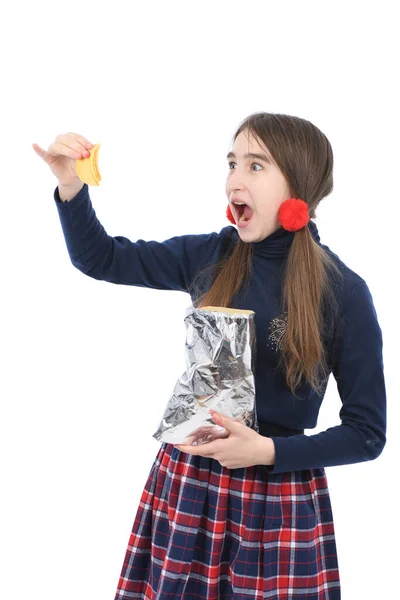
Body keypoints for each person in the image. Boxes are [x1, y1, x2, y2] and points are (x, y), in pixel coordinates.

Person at [33, 112, 387, 599]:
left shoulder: (343, 292)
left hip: (276, 498)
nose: (234, 180)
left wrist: (266, 451)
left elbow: (367, 434)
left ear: (298, 183)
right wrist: (71, 186)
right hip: (188, 484)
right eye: (232, 163)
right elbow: (103, 258)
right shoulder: (212, 255)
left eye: (255, 166)